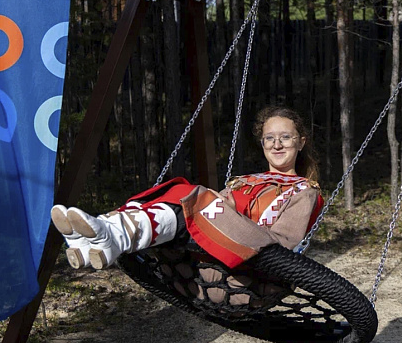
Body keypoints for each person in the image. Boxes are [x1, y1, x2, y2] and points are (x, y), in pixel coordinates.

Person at [50, 106, 323, 273]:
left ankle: (114, 235)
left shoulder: (304, 192)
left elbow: (284, 247)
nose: (277, 145)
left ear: (301, 142)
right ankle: (92, 243)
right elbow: (221, 210)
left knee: (193, 198)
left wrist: (218, 207)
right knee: (187, 197)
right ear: (262, 144)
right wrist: (222, 204)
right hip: (207, 257)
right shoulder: (245, 182)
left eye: (285, 138)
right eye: (269, 138)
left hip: (250, 264)